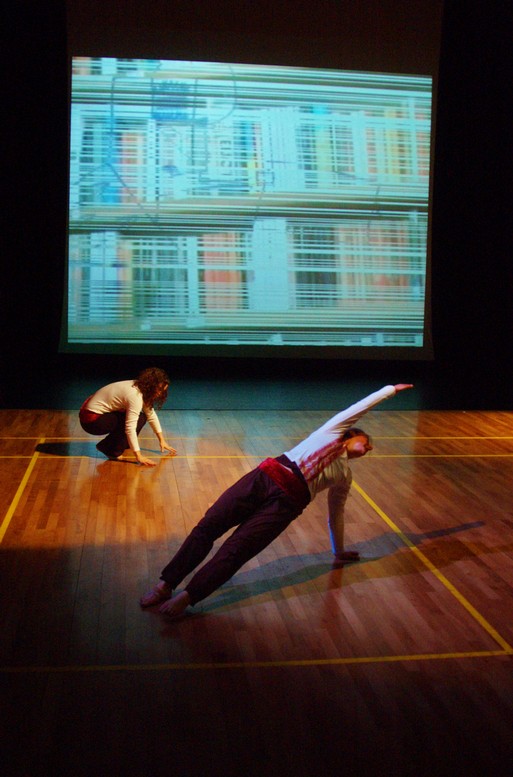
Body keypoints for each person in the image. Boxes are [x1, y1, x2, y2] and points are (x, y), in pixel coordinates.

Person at [140, 383, 413, 616]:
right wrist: (390, 390)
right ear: (351, 435)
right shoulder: (330, 432)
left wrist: (338, 550)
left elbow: (336, 513)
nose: (369, 448)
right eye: (366, 441)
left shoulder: (345, 476)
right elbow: (359, 407)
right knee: (209, 526)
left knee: (237, 550)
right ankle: (165, 585)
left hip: (286, 505)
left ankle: (188, 596)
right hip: (265, 478)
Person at [79, 367, 176, 467]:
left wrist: (162, 440)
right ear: (151, 385)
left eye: (163, 391)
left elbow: (151, 414)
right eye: (159, 389)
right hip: (91, 421)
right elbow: (130, 428)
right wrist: (139, 456)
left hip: (98, 414)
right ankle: (108, 448)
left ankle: (117, 445)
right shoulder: (135, 396)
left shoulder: (141, 387)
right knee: (137, 420)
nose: (160, 393)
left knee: (142, 417)